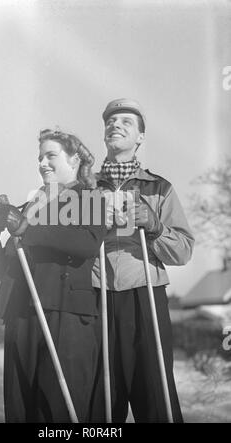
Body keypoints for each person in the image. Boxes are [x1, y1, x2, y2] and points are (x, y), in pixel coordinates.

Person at [0, 129, 107, 423]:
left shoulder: (90, 197)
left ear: (74, 159)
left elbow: (87, 243)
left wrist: (27, 228)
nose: (43, 163)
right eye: (40, 157)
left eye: (51, 155)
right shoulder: (33, 205)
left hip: (66, 316)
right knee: (21, 409)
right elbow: (8, 269)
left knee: (58, 412)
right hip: (21, 316)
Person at [91, 98, 195, 423]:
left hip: (144, 297)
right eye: (111, 120)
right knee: (101, 402)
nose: (115, 125)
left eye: (126, 121)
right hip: (97, 297)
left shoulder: (159, 187)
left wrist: (155, 226)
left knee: (155, 395)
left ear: (140, 138)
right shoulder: (84, 189)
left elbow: (183, 250)